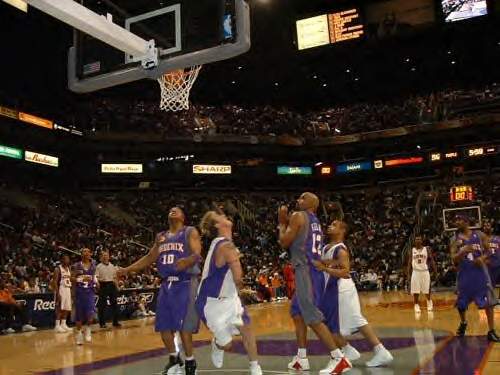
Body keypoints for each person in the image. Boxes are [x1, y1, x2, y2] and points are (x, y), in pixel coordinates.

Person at [118, 207, 201, 375]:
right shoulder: (161, 236)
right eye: (170, 210)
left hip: (184, 283)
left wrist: (188, 260)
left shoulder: (189, 231)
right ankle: (174, 358)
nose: (172, 211)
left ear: (183, 217)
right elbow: (149, 258)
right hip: (166, 285)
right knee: (163, 325)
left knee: (184, 326)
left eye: (176, 210)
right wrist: (127, 269)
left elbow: (198, 254)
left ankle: (190, 362)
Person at [278, 192, 351, 374]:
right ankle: (302, 358)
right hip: (311, 272)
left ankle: (338, 358)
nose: (298, 199)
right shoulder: (315, 220)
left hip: (306, 271)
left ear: (312, 203)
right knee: (297, 313)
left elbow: (284, 242)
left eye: (302, 198)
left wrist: (281, 223)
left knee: (311, 315)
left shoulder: (297, 216)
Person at [313, 220, 393, 367]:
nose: (330, 226)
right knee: (327, 323)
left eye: (334, 225)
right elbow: (326, 262)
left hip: (342, 288)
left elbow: (345, 272)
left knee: (355, 319)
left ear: (342, 230)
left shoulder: (341, 249)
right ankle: (348, 350)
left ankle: (380, 351)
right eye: (331, 224)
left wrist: (325, 269)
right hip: (330, 288)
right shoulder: (326, 247)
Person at [196, 210, 263, 375]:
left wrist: (238, 292)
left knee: (247, 329)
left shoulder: (224, 243)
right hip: (212, 302)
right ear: (217, 225)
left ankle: (255, 367)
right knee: (227, 345)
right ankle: (217, 344)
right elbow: (238, 276)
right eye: (220, 216)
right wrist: (243, 288)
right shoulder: (226, 246)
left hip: (230, 298)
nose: (225, 215)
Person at [450, 216, 499, 342]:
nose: (456, 223)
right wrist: (462, 252)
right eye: (456, 221)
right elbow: (453, 258)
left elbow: (489, 251)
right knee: (461, 304)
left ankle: (491, 331)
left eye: (459, 220)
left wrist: (482, 259)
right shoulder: (454, 239)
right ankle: (463, 322)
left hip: (479, 273)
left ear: (466, 222)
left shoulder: (479, 234)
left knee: (488, 302)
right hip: (464, 273)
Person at [73, 248, 98, 345]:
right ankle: (79, 334)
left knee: (90, 315)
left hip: (90, 293)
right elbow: (71, 278)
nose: (86, 253)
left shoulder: (93, 266)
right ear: (81, 254)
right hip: (80, 293)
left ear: (90, 254)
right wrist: (79, 279)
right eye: (84, 251)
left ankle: (88, 329)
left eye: (88, 251)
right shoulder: (76, 266)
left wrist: (96, 283)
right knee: (79, 317)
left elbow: (94, 277)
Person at [406, 235, 437, 313]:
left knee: (427, 289)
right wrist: (408, 274)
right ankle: (416, 305)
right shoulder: (412, 250)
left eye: (419, 239)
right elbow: (409, 263)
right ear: (414, 241)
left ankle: (429, 302)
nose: (418, 240)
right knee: (415, 290)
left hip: (425, 271)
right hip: (415, 271)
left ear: (422, 240)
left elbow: (431, 260)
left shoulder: (426, 249)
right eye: (416, 239)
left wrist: (435, 270)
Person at [96, 250, 120, 329]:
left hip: (111, 284)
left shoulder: (112, 266)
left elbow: (115, 277)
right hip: (103, 285)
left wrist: (117, 286)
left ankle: (115, 322)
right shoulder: (98, 266)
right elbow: (97, 277)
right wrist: (97, 285)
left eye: (106, 255)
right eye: (104, 255)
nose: (105, 257)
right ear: (101, 257)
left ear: (109, 257)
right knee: (102, 305)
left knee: (114, 304)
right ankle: (102, 323)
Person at [53, 254, 72, 333]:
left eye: (68, 259)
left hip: (67, 289)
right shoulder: (58, 269)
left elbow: (70, 280)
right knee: (59, 308)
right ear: (61, 260)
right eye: (65, 259)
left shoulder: (68, 269)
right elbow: (54, 282)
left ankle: (63, 324)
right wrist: (57, 293)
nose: (67, 260)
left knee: (67, 308)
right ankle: (57, 325)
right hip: (61, 289)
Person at [483, 221, 500, 301]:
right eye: (485, 225)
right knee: (489, 286)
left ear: (492, 228)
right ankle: (490, 300)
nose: (486, 227)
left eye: (488, 225)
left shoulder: (498, 238)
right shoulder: (481, 239)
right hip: (488, 266)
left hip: (498, 264)